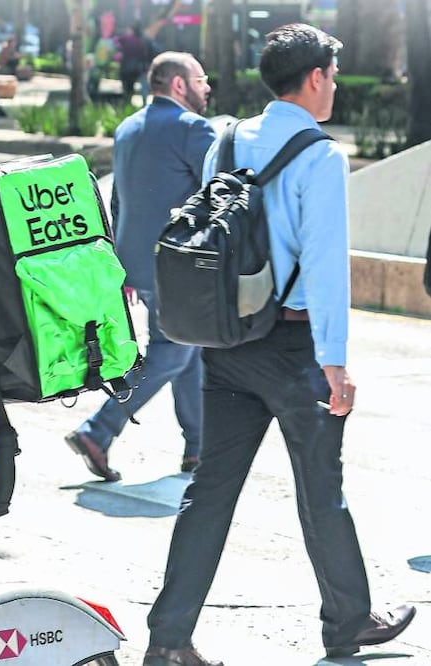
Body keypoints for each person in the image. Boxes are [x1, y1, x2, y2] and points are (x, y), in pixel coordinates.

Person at [142, 24, 415, 666]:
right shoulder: (320, 156)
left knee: (208, 491)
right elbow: (325, 265)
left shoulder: (226, 139)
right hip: (293, 349)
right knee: (321, 488)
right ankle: (348, 622)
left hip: (229, 339)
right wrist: (336, 362)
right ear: (316, 77)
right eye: (334, 77)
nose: (336, 88)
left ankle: (169, 639)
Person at [65, 52, 214, 481]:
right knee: (175, 352)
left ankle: (198, 450)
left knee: (189, 353)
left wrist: (120, 260)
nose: (206, 88)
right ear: (179, 85)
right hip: (178, 266)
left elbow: (117, 199)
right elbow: (216, 192)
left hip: (136, 261)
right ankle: (98, 430)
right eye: (200, 80)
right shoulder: (193, 128)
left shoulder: (127, 127)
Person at [116, 23, 151, 103]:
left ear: (132, 31)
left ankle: (127, 105)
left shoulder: (126, 39)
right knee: (133, 88)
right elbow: (144, 56)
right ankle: (143, 103)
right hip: (136, 69)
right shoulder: (141, 42)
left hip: (126, 68)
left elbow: (116, 42)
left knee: (127, 90)